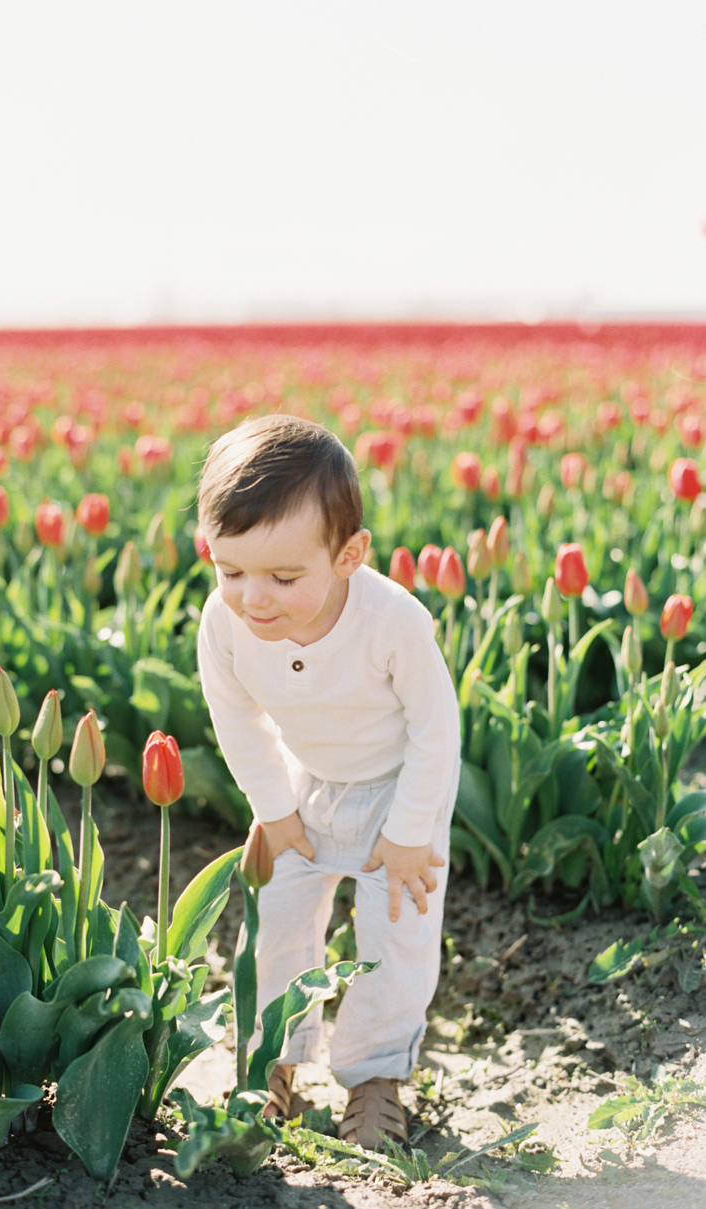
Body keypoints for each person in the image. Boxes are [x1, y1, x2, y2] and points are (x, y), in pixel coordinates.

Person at [196, 414, 461, 1150]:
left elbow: (437, 730)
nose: (254, 598)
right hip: (302, 783)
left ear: (349, 555)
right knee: (274, 923)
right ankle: (271, 1058)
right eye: (231, 570)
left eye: (283, 577)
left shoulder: (393, 622)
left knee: (395, 936)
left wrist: (410, 832)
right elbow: (238, 719)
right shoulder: (224, 626)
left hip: (397, 794)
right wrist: (273, 808)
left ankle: (376, 1077)